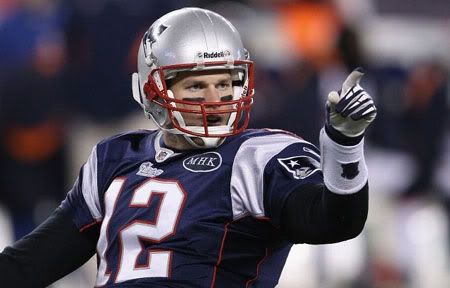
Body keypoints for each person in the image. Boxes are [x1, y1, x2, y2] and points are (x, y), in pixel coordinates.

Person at [0, 7, 376, 288]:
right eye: (196, 86)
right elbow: (30, 264)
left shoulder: (258, 157)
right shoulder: (113, 158)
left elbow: (335, 220)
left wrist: (344, 144)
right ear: (153, 90)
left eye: (226, 83)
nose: (215, 99)